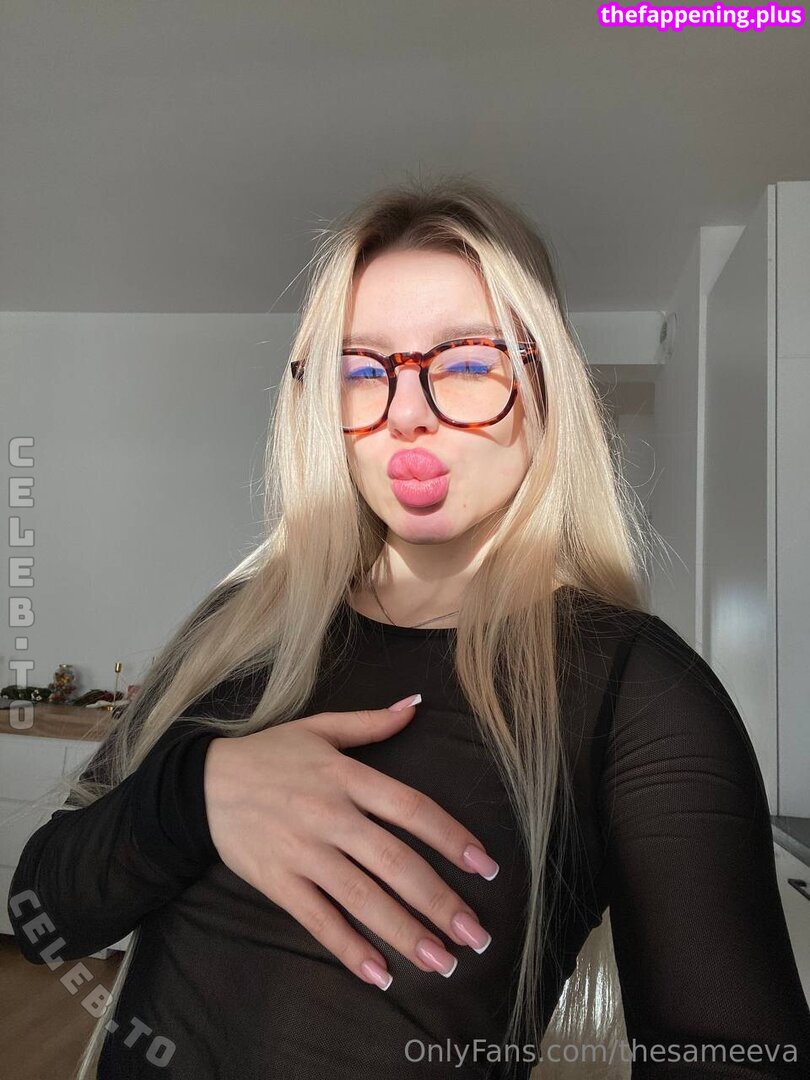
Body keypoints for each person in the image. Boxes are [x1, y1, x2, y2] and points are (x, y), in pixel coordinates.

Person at [8, 176, 810, 1080]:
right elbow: (39, 914)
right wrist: (193, 795)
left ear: (545, 388)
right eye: (362, 370)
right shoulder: (240, 626)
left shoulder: (636, 691)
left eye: (466, 362)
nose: (406, 412)